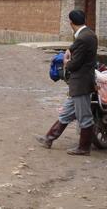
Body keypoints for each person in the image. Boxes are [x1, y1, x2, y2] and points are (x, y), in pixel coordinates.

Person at [37, 10, 98, 156]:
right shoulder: (89, 34)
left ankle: (84, 148)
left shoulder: (82, 38)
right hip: (82, 82)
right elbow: (77, 48)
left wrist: (66, 63)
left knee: (84, 116)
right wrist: (70, 49)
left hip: (80, 83)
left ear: (71, 23)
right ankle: (48, 138)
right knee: (66, 112)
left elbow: (74, 64)